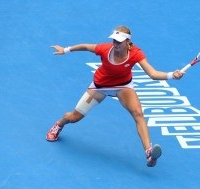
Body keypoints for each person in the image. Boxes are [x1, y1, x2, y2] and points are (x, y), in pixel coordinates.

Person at [47, 25, 184, 167]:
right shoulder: (105, 49)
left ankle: (149, 152)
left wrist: (171, 76)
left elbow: (153, 74)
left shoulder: (136, 53)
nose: (115, 43)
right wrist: (66, 49)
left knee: (138, 113)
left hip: (123, 87)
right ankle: (59, 124)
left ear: (127, 43)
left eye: (119, 41)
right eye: (114, 40)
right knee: (74, 117)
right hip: (100, 86)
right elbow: (86, 47)